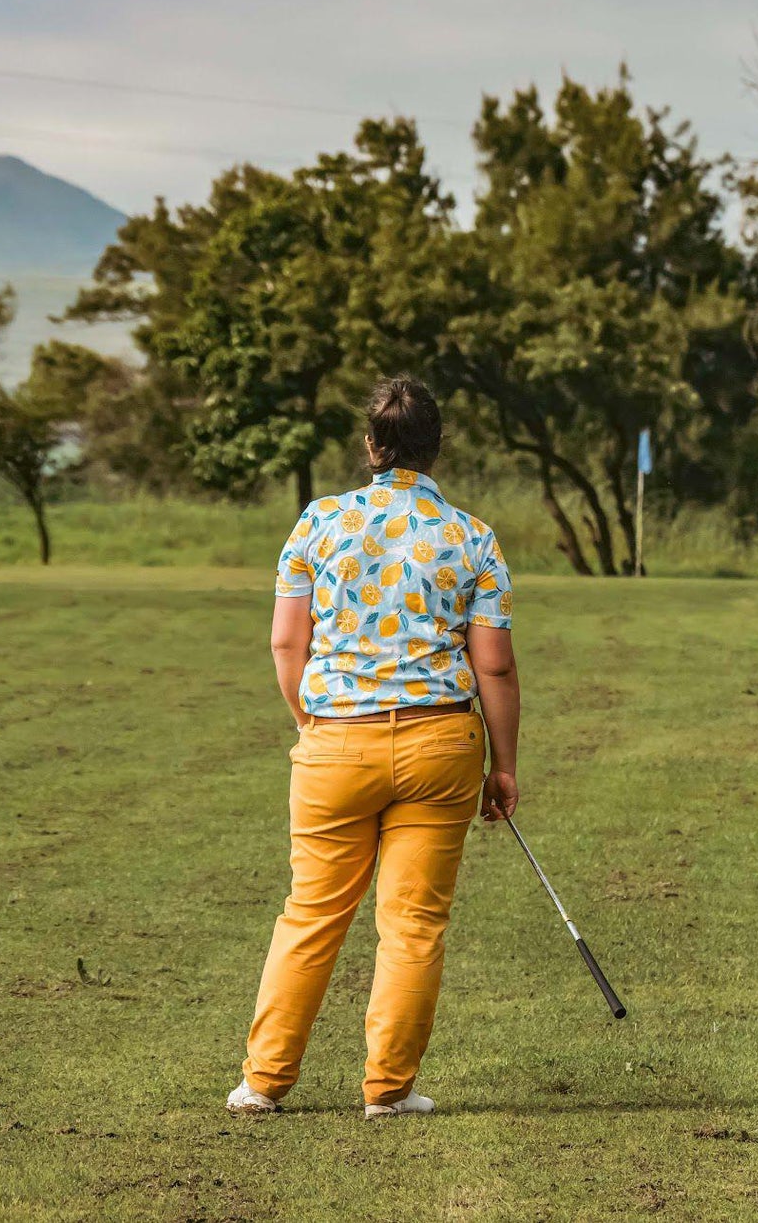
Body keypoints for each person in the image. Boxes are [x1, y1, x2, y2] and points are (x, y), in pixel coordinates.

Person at [226, 376, 518, 1119]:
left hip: (335, 746)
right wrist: (505, 764)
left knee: (311, 915)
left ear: (371, 446)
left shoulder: (320, 523)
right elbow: (495, 665)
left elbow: (288, 642)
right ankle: (388, 1091)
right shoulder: (471, 536)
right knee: (413, 925)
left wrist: (310, 721)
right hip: (442, 745)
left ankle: (264, 1083)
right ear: (436, 446)